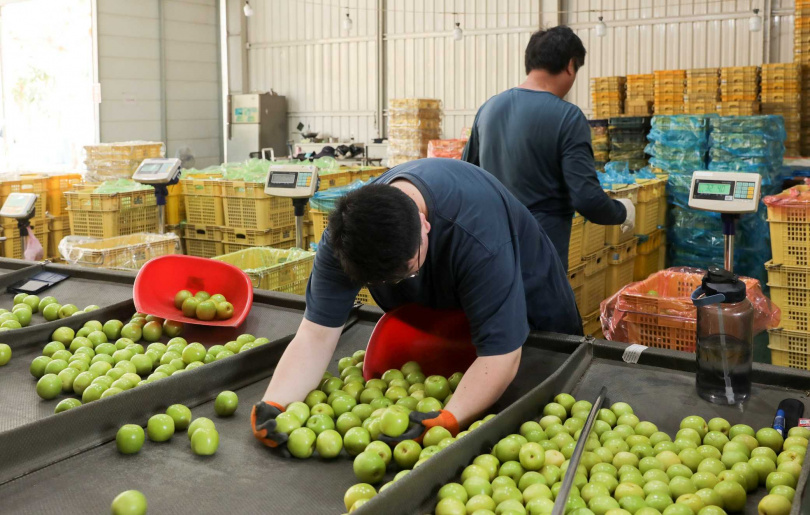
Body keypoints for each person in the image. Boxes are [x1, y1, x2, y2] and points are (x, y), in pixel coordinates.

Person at [251, 158, 581, 447]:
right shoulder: (347, 238)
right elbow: (316, 335)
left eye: (407, 271)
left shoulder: (477, 237)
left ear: (425, 225)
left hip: (531, 306)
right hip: (452, 312)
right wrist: (276, 403)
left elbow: (501, 356)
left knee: (548, 389)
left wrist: (450, 418)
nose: (400, 285)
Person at [462, 26, 635, 271]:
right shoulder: (568, 117)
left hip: (491, 254)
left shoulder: (488, 109)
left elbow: (466, 178)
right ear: (570, 65)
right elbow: (587, 199)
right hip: (540, 257)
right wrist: (622, 211)